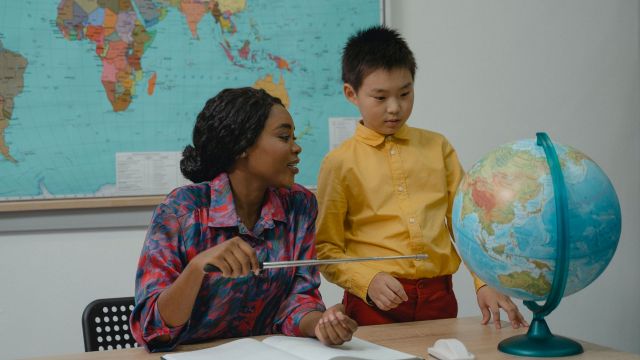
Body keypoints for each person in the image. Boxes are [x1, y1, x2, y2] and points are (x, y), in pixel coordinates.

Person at [316, 26, 527, 329]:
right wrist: (367, 281)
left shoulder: (437, 147)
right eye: (380, 97)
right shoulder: (338, 163)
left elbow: (465, 225)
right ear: (352, 93)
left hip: (439, 296)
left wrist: (484, 282)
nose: (395, 107)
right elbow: (327, 250)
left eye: (405, 93)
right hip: (374, 301)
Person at [131, 87, 357, 352]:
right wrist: (196, 269)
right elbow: (151, 328)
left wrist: (321, 324)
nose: (296, 147)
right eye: (284, 137)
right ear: (242, 146)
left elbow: (298, 299)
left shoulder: (300, 205)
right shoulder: (181, 211)